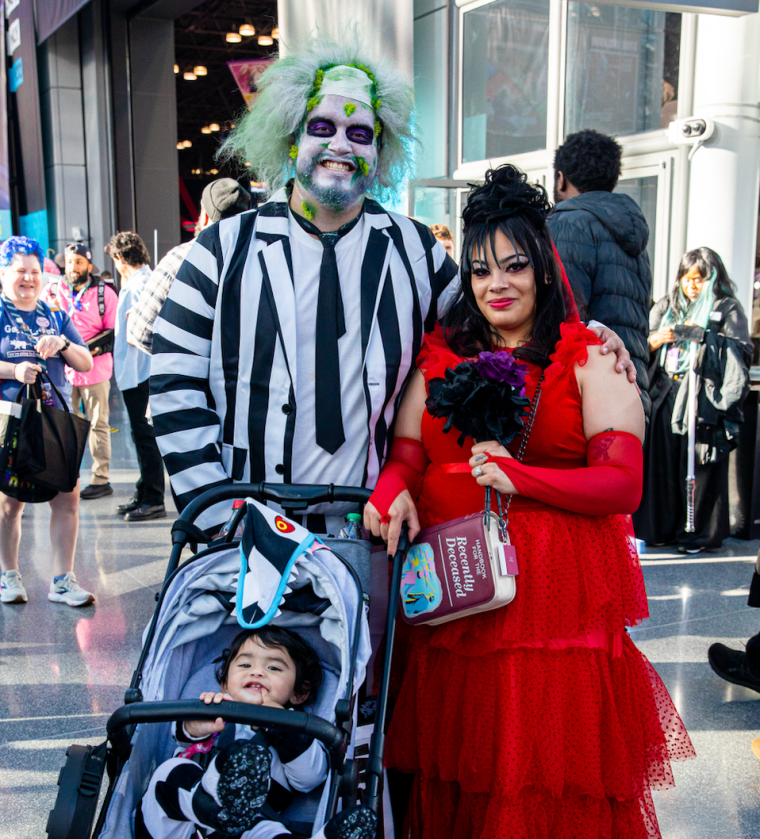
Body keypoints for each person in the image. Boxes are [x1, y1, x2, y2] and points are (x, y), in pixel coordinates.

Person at [365, 165, 700, 839]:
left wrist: (521, 476)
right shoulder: (437, 358)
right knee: (464, 780)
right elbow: (404, 448)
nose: (498, 283)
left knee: (539, 785)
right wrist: (394, 489)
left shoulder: (589, 355)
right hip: (456, 604)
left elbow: (622, 483)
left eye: (515, 264)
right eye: (481, 269)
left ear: (545, 270)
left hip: (552, 617)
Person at [149, 34, 634, 537]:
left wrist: (588, 333)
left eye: (361, 133)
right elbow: (172, 386)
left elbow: (494, 323)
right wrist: (218, 521)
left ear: (380, 152)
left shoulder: (415, 250)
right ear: (292, 138)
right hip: (244, 530)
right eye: (323, 127)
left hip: (373, 531)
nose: (341, 144)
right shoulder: (220, 250)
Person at [135, 626, 376, 839]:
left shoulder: (299, 735)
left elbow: (310, 777)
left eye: (274, 668)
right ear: (226, 683)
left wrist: (285, 726)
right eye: (245, 664)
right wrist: (197, 725)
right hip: (168, 834)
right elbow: (181, 737)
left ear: (299, 693)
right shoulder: (216, 712)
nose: (257, 671)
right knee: (171, 772)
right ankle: (215, 802)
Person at [634, 247, 751, 553]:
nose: (692, 286)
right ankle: (659, 529)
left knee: (698, 464)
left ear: (713, 279)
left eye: (699, 280)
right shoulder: (669, 303)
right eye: (687, 279)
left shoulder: (727, 307)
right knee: (661, 462)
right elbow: (641, 340)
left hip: (701, 397)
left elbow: (740, 350)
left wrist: (703, 337)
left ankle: (697, 534)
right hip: (665, 392)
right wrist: (658, 338)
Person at [0, 236, 95, 607]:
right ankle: (8, 576)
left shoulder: (55, 315)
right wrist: (13, 369)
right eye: (20, 271)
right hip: (10, 422)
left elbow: (86, 363)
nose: (28, 278)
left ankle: (62, 580)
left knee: (67, 499)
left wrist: (63, 344)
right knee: (10, 503)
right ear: (5, 273)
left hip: (54, 422)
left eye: (35, 272)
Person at [549, 129, 651, 403]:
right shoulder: (632, 233)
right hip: (632, 388)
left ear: (561, 178)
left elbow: (563, 317)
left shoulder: (567, 223)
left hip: (591, 393)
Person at [127, 178, 251, 356]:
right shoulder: (261, 261)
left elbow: (141, 333)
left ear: (205, 215)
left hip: (191, 379)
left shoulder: (180, 259)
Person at [43, 242, 119, 500]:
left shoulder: (104, 293)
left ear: (89, 264)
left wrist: (84, 350)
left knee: (98, 425)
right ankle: (64, 475)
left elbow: (112, 331)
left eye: (79, 261)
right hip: (62, 374)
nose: (73, 266)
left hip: (95, 371)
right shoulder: (53, 289)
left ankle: (100, 478)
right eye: (70, 261)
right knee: (62, 426)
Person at [105, 232, 166, 522]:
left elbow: (141, 326)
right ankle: (145, 490)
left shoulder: (142, 283)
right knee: (139, 435)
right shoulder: (139, 282)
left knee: (145, 436)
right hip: (136, 373)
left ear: (119, 258)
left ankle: (153, 497)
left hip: (142, 373)